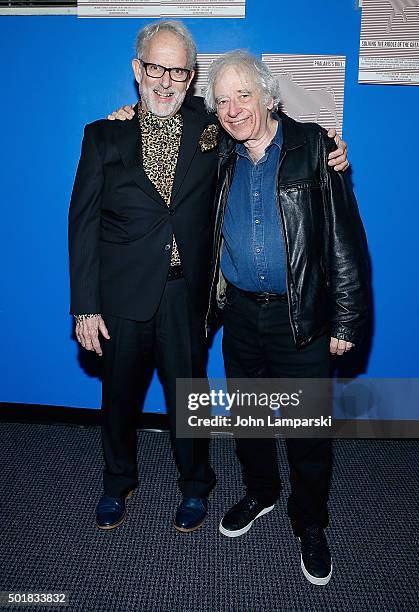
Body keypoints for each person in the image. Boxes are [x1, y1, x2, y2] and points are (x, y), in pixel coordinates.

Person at [69, 20, 349, 534]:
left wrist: (328, 146)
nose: (165, 81)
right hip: (120, 299)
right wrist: (84, 305)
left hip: (185, 296)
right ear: (138, 70)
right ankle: (117, 481)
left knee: (189, 399)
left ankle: (196, 486)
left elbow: (268, 122)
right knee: (117, 400)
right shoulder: (103, 135)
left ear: (190, 76)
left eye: (178, 71)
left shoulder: (210, 126)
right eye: (156, 67)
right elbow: (82, 225)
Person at [203, 50, 369, 585]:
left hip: (301, 319)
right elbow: (162, 120)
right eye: (222, 100)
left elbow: (346, 241)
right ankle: (260, 492)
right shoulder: (218, 152)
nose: (232, 110)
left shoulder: (315, 148)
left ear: (268, 95)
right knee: (249, 420)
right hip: (241, 316)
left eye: (242, 95)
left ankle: (311, 521)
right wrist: (125, 113)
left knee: (307, 431)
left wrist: (346, 322)